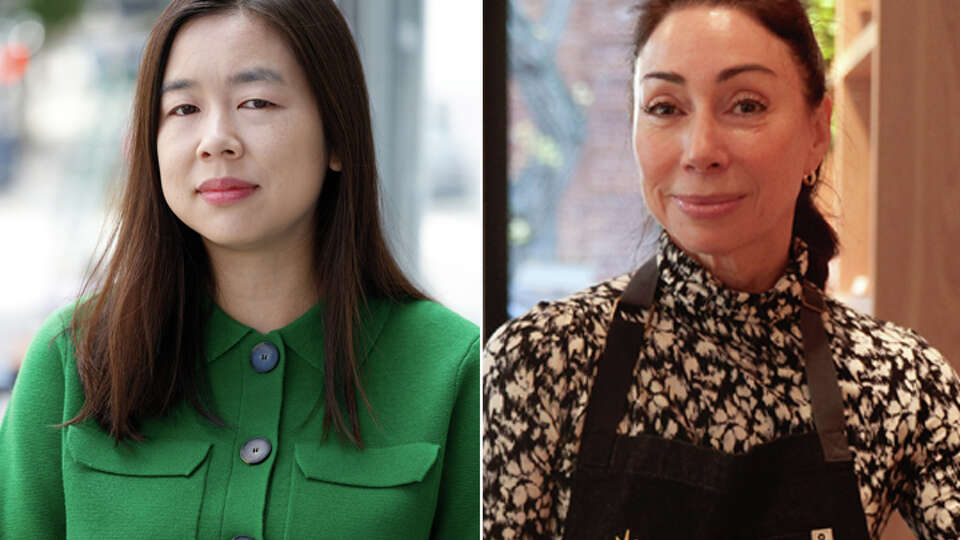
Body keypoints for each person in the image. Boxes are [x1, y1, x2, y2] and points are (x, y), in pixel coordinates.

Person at [0, 1, 479, 538]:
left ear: (338, 136)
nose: (216, 140)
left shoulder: (454, 370)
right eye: (183, 109)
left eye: (256, 101)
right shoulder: (71, 359)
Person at [483, 0, 960, 538]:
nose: (700, 149)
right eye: (665, 107)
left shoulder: (897, 382)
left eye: (747, 106)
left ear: (817, 131)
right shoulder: (541, 361)